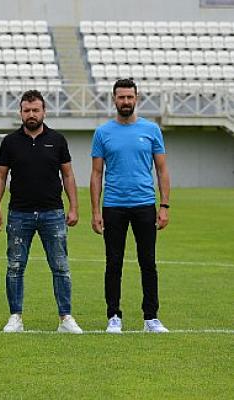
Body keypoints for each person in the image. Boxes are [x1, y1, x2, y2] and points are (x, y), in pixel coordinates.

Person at [0, 89, 83, 334]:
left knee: (60, 266)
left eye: (36, 110)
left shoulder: (58, 139)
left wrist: (73, 207)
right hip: (19, 214)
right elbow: (0, 178)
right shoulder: (10, 142)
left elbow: (68, 175)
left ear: (44, 112)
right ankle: (15, 317)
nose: (31, 114)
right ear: (20, 112)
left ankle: (65, 317)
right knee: (15, 267)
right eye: (27, 110)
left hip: (53, 213)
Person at [91, 78, 171, 334]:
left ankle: (151, 318)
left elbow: (162, 169)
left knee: (148, 262)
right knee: (113, 263)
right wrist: (95, 211)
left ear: (137, 98)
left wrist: (165, 205)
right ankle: (114, 316)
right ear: (114, 99)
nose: (125, 101)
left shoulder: (151, 130)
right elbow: (96, 174)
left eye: (129, 97)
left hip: (145, 204)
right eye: (121, 97)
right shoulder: (102, 132)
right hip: (113, 206)